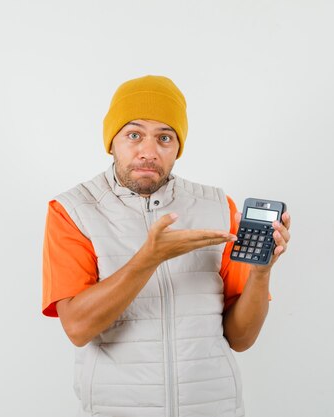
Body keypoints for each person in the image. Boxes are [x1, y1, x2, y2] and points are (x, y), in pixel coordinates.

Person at [42, 75, 291, 417]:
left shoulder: (219, 207)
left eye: (164, 137)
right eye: (134, 135)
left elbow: (241, 339)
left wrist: (261, 275)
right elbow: (78, 328)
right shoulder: (73, 211)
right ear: (111, 141)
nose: (148, 151)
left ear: (178, 147)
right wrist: (150, 257)